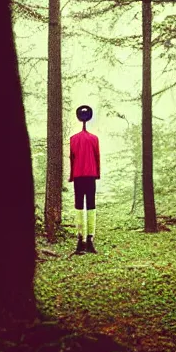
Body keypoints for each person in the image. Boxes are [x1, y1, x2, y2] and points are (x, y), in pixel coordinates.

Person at [69, 105, 100, 255]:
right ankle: (89, 239)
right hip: (90, 176)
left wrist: (72, 175)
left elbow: (72, 159)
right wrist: (97, 174)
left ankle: (81, 240)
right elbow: (97, 157)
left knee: (79, 206)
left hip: (78, 176)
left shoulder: (73, 139)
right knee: (91, 206)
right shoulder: (94, 139)